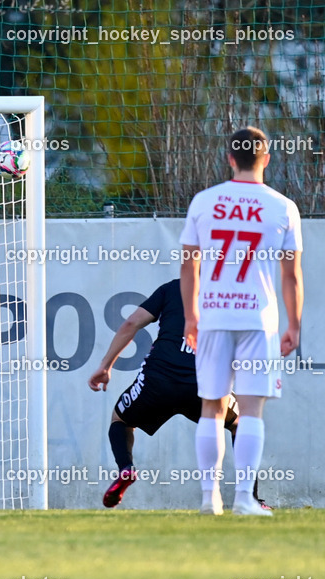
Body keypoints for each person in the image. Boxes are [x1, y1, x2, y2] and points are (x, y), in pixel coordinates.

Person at [180, 126, 302, 516]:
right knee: (250, 410)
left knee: (211, 408)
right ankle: (245, 500)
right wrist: (294, 325)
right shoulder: (283, 206)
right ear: (266, 159)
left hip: (214, 315)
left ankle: (208, 498)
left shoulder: (204, 201)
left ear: (230, 158)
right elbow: (292, 275)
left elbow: (189, 265)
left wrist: (190, 316)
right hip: (258, 318)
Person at [88, 279, 270, 509]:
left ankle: (126, 468)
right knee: (242, 422)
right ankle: (250, 498)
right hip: (204, 384)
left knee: (121, 420)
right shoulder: (231, 292)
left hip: (158, 381)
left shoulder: (172, 288)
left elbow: (131, 323)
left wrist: (106, 366)